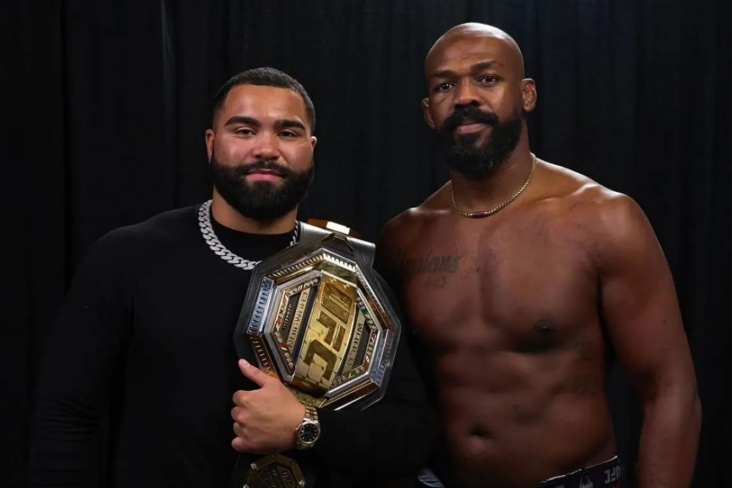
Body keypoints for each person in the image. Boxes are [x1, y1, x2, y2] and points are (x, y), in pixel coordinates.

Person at [29, 67, 431, 488]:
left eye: (288, 133)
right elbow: (65, 420)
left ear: (311, 149)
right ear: (211, 143)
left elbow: (410, 437)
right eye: (244, 130)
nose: (266, 148)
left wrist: (306, 426)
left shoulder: (353, 276)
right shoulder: (127, 257)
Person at [375, 23, 701, 488]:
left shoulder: (601, 220)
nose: (465, 97)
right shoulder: (404, 238)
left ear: (526, 94)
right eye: (445, 86)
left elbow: (670, 389)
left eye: (487, 78)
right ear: (428, 112)